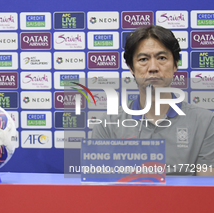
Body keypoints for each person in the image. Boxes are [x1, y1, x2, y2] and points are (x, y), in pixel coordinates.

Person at [91, 25, 214, 176]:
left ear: (176, 64)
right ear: (131, 68)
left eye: (162, 58)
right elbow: (101, 190)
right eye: (143, 59)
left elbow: (205, 191)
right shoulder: (107, 125)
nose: (153, 68)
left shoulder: (206, 122)